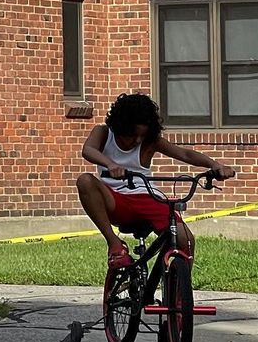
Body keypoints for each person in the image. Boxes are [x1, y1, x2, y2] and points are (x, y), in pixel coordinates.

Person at [76, 92, 236, 269]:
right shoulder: (103, 133)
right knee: (85, 181)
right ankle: (114, 244)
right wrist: (110, 164)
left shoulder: (150, 142)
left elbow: (185, 154)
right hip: (115, 200)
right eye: (132, 135)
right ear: (120, 127)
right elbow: (88, 150)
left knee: (186, 240)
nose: (137, 140)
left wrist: (215, 165)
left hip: (147, 198)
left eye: (142, 136)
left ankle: (180, 282)